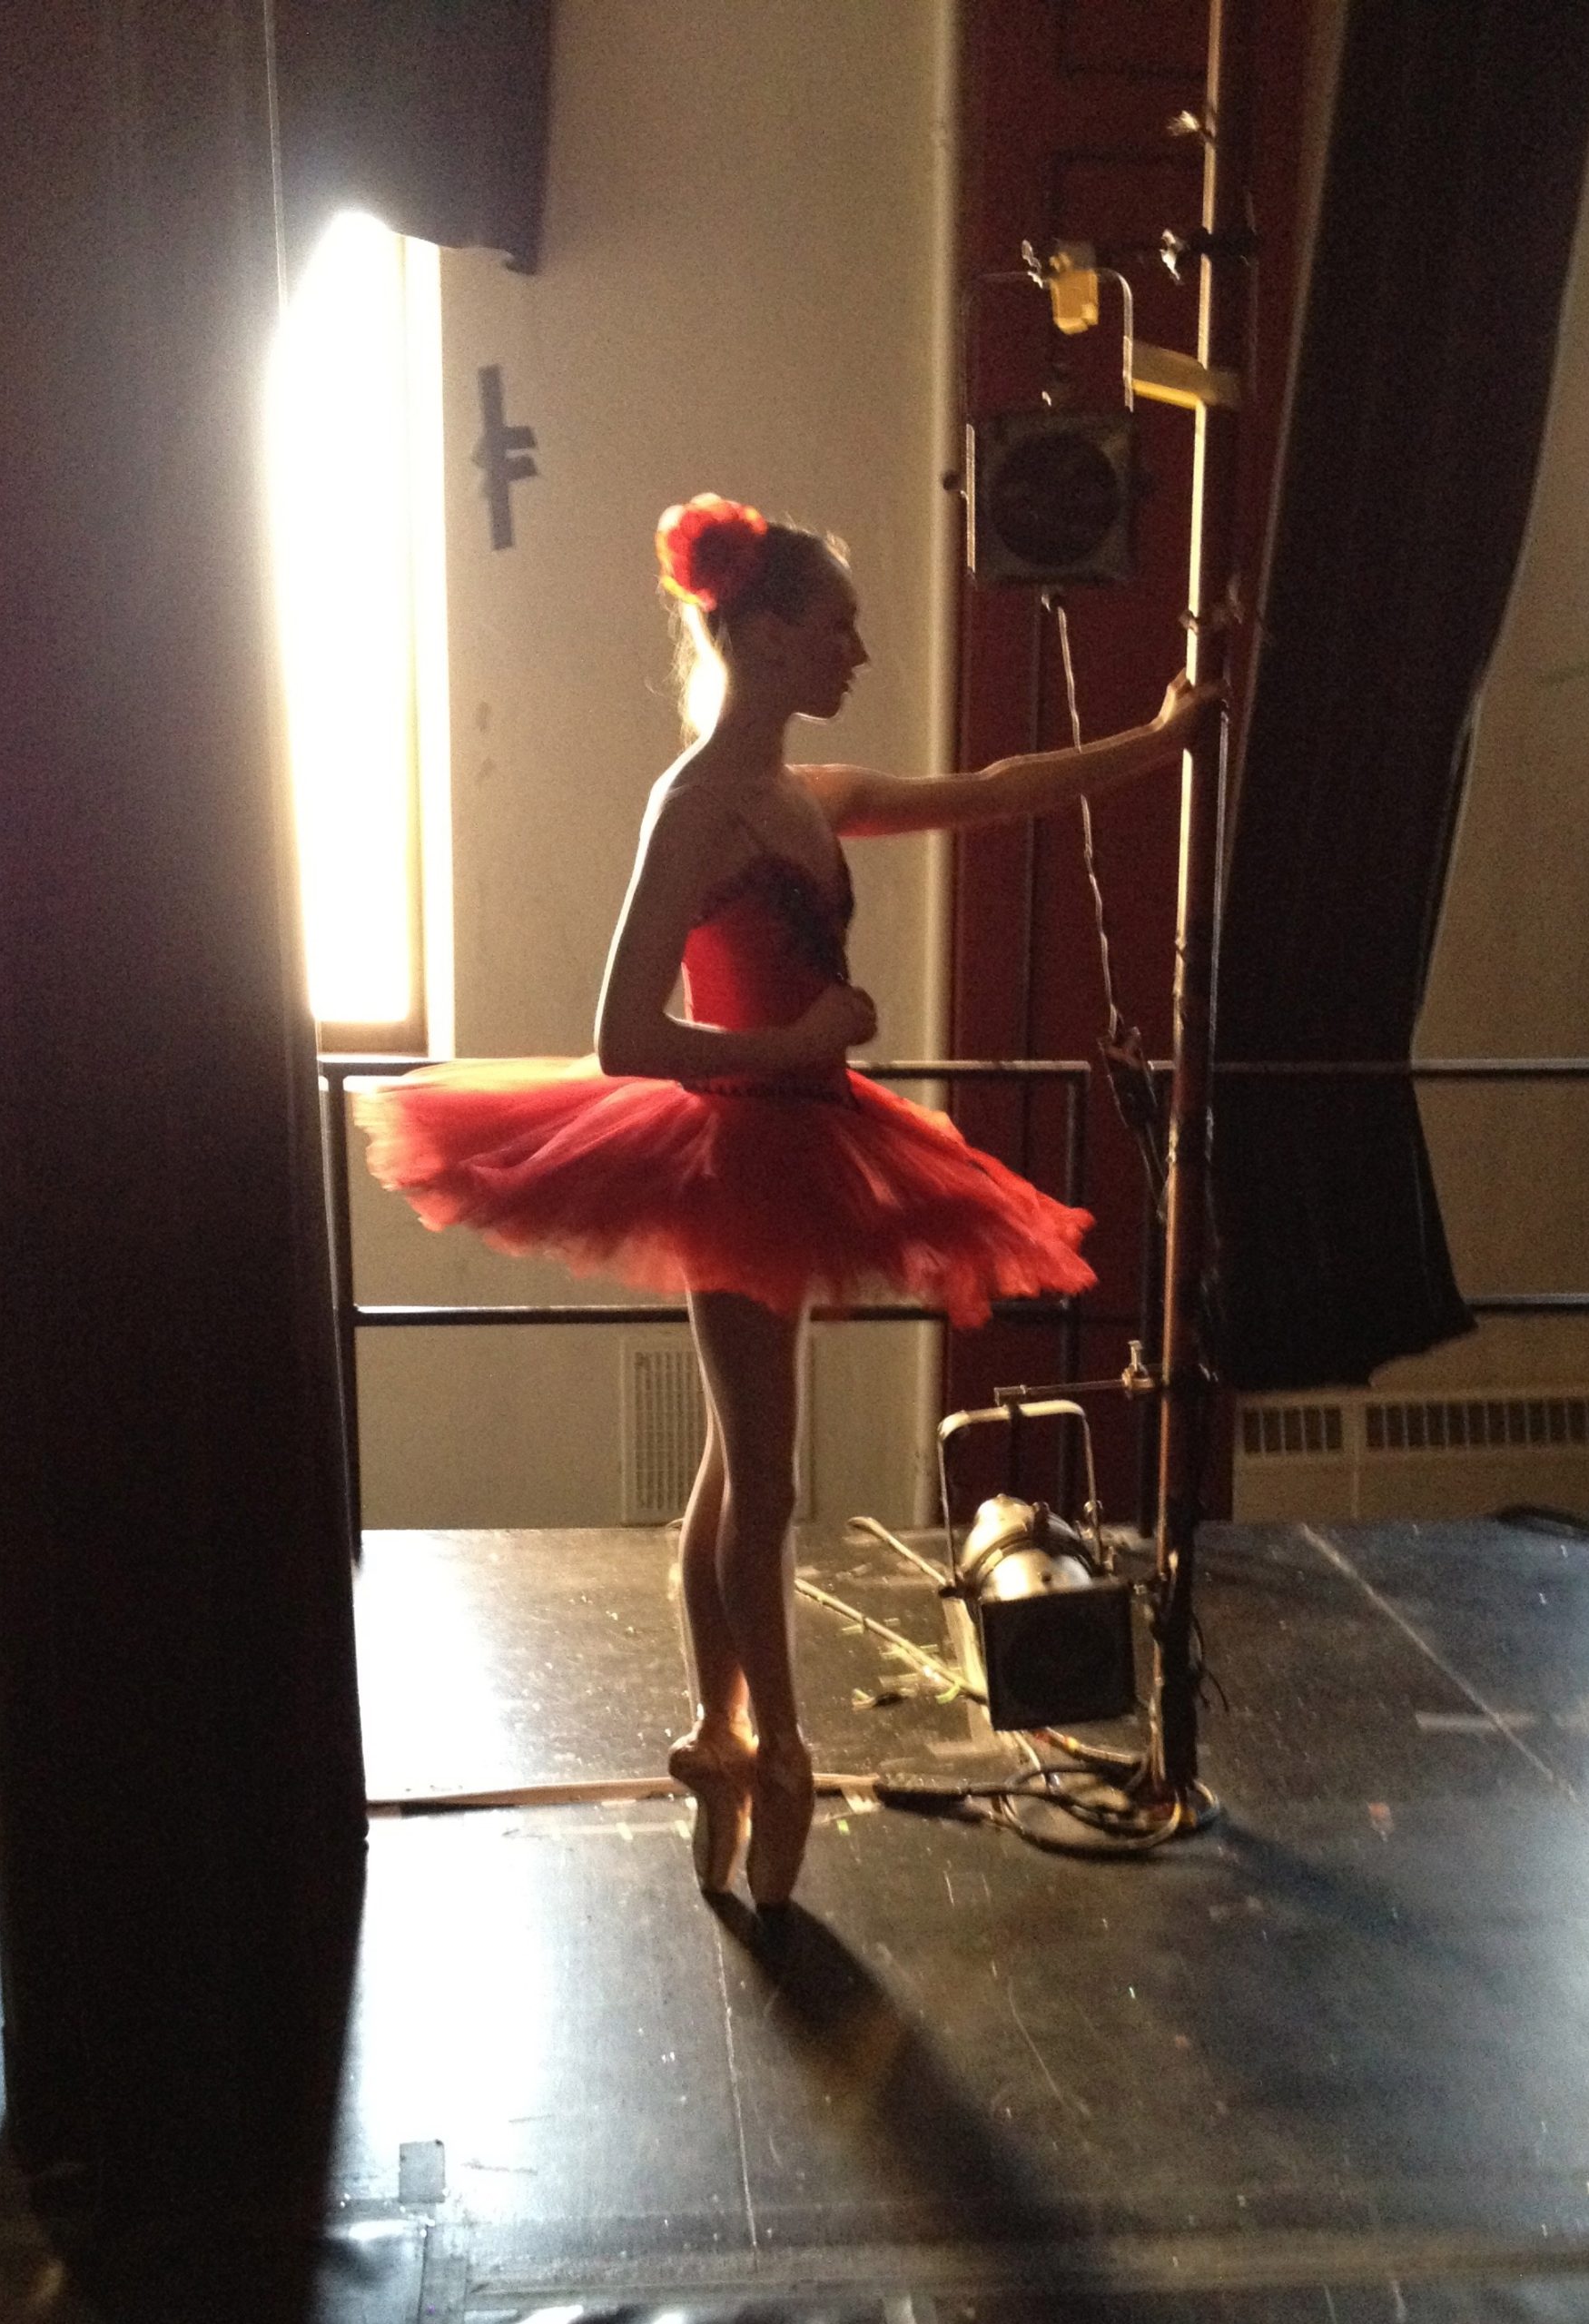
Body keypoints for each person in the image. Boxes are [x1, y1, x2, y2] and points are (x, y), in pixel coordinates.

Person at [359, 493, 1220, 1911]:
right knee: (763, 1478)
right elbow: (628, 1030)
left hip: (804, 1140)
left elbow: (997, 787)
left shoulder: (802, 800)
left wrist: (1158, 741)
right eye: (838, 629)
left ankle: (719, 1729)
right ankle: (779, 1747)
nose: (858, 654)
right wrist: (791, 1046)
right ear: (762, 635)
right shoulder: (695, 809)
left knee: (736, 1471)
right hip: (733, 1148)